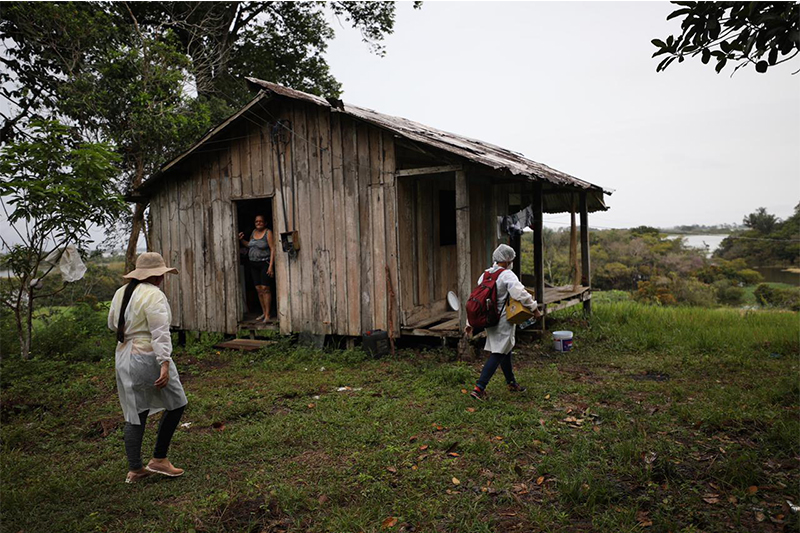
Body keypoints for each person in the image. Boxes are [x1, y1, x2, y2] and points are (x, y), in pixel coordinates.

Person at [108, 252, 188, 483]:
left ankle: (135, 470)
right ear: (156, 276)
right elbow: (160, 331)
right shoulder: (154, 294)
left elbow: (113, 323)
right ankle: (159, 459)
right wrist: (164, 362)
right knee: (177, 402)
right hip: (147, 354)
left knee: (135, 411)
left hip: (124, 355)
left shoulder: (120, 292)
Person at [467, 244, 541, 401]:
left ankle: (511, 383)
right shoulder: (507, 275)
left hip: (490, 319)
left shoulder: (485, 274)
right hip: (502, 320)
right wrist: (534, 308)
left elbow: (477, 297)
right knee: (499, 352)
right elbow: (520, 293)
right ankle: (479, 388)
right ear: (507, 260)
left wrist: (470, 322)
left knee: (505, 349)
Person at [238, 215, 275, 322]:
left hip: (265, 263)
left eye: (260, 221)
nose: (258, 223)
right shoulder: (254, 232)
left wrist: (271, 266)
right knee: (258, 289)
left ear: (265, 223)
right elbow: (250, 245)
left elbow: (273, 249)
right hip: (253, 264)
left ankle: (268, 315)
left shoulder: (268, 233)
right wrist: (241, 240)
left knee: (265, 289)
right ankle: (264, 313)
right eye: (256, 221)